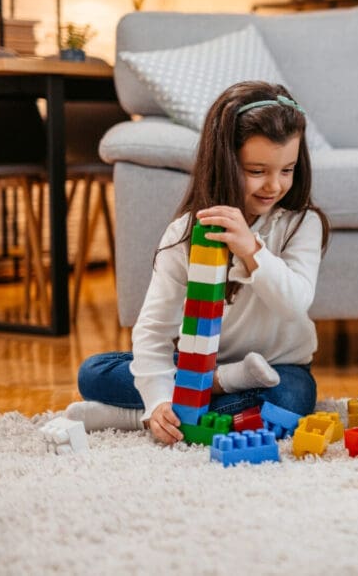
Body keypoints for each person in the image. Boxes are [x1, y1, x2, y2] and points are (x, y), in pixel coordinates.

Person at [64, 80, 331, 445]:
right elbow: (154, 331)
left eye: (287, 170)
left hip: (278, 367)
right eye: (256, 171)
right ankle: (209, 390)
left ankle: (128, 416)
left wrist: (252, 250)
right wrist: (158, 398)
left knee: (290, 401)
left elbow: (295, 302)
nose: (274, 185)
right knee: (93, 373)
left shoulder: (301, 223)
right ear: (224, 162)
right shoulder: (186, 233)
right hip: (192, 366)